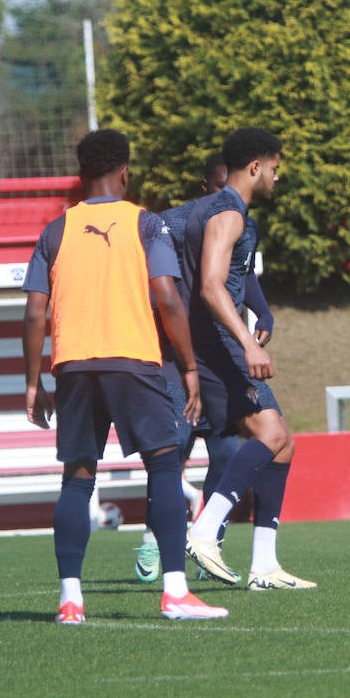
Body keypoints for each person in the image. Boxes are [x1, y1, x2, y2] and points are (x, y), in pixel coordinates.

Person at [21, 128, 228, 623]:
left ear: (80, 173)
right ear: (124, 172)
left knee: (77, 477)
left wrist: (33, 382)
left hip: (72, 364)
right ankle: (175, 592)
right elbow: (167, 295)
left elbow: (33, 313)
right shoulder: (146, 224)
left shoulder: (55, 231)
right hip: (133, 361)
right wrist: (192, 366)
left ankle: (71, 600)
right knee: (162, 466)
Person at [180, 127, 315, 591]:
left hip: (219, 342)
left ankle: (264, 566)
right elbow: (211, 286)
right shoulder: (226, 213)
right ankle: (205, 529)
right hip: (218, 345)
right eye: (275, 169)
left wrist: (259, 316)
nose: (278, 178)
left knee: (284, 443)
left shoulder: (229, 214)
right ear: (255, 167)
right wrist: (247, 341)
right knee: (271, 432)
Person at [133, 151, 276, 583]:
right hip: (177, 360)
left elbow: (241, 272)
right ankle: (154, 537)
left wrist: (264, 313)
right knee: (171, 449)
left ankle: (208, 541)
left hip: (218, 358)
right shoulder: (173, 224)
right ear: (204, 189)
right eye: (216, 191)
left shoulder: (238, 220)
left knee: (229, 452)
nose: (222, 200)